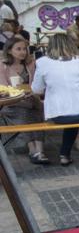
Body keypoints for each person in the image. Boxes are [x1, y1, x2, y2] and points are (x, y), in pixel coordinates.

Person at [31, 34, 79, 166]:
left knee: (71, 118)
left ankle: (66, 154)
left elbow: (37, 90)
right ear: (71, 44)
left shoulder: (42, 62)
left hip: (60, 114)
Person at [0, 36, 47, 164]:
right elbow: (3, 88)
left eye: (24, 49)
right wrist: (20, 94)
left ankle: (39, 150)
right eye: (18, 49)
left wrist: (31, 93)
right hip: (12, 104)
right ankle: (33, 150)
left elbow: (36, 85)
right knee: (26, 114)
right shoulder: (3, 66)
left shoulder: (30, 64)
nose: (22, 52)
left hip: (31, 100)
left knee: (37, 112)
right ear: (9, 51)